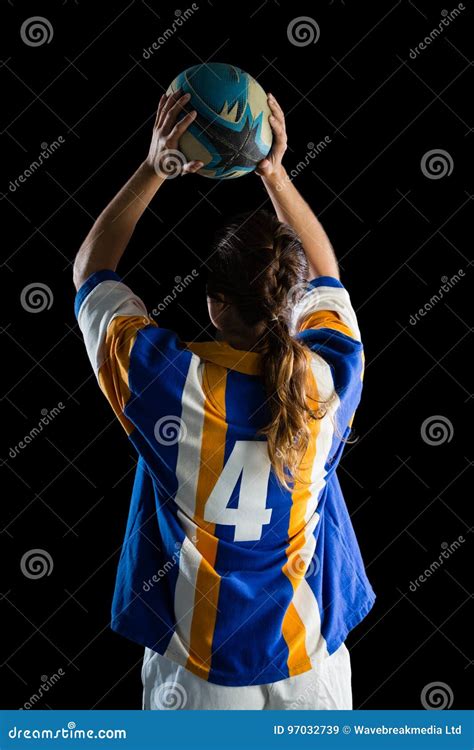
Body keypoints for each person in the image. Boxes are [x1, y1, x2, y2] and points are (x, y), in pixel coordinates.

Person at [73, 88, 376, 710]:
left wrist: (155, 165)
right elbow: (328, 277)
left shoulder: (165, 383)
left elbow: (90, 272)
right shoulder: (327, 380)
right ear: (290, 305)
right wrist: (273, 170)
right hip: (308, 659)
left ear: (213, 304)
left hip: (198, 671)